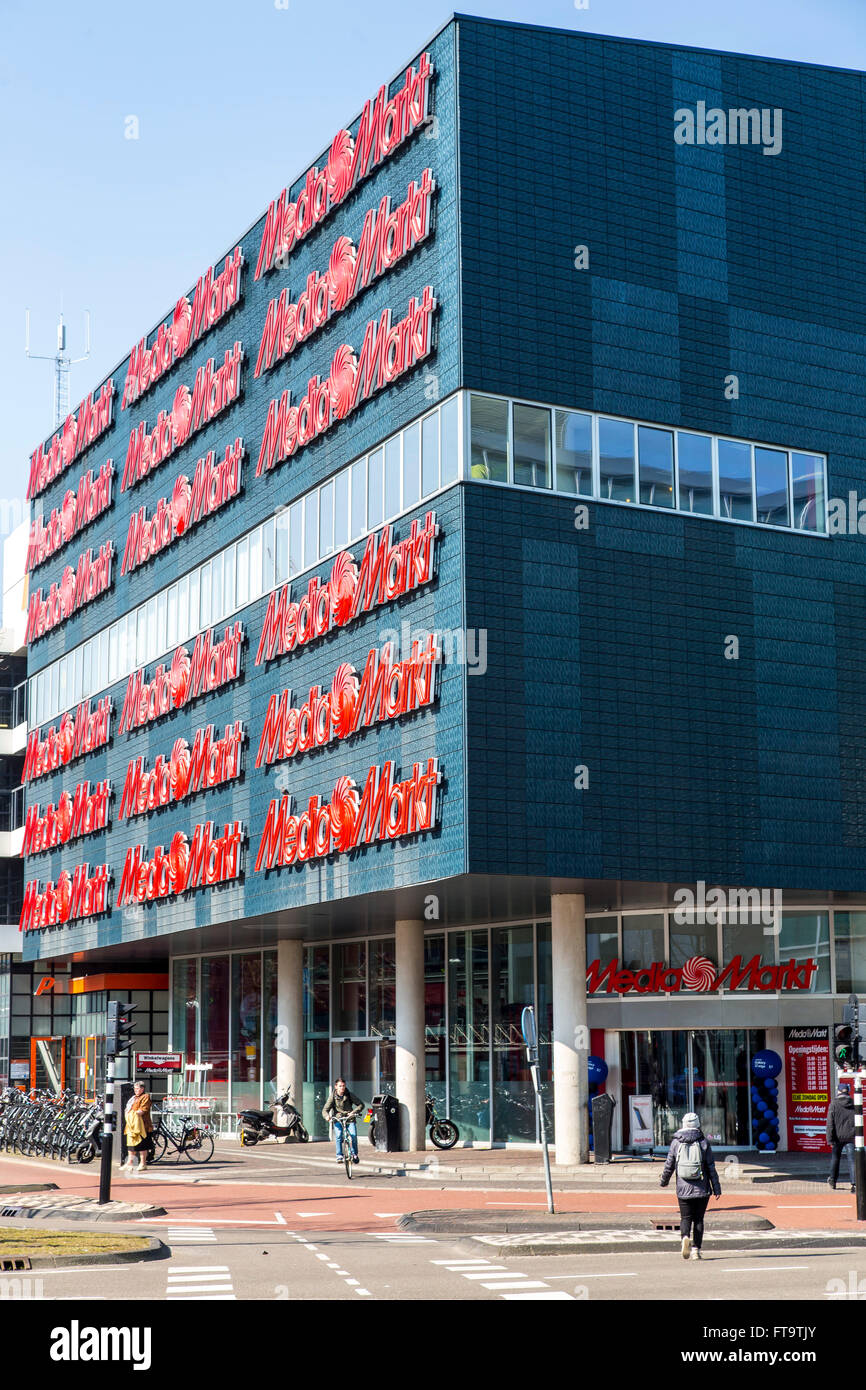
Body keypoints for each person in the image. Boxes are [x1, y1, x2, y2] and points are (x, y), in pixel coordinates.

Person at [659, 1111, 722, 1261]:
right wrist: (717, 1188)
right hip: (702, 1188)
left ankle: (685, 1237)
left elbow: (669, 1165)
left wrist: (664, 1181)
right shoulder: (703, 1142)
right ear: (698, 1124)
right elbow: (711, 1167)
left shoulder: (676, 1142)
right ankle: (696, 1250)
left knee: (685, 1217)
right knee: (699, 1219)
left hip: (683, 1187)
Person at [322, 1078, 365, 1165]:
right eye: (340, 1086)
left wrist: (353, 1112)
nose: (342, 1088)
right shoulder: (333, 1097)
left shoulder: (349, 1095)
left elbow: (361, 1104)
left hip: (350, 1119)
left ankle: (354, 1154)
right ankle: (339, 1156)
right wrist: (327, 1116)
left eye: (343, 1086)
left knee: (353, 1136)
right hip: (339, 1119)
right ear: (336, 1087)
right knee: (338, 1136)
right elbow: (325, 1109)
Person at [827, 1082, 856, 1193]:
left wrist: (830, 1139)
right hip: (851, 1135)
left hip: (837, 1137)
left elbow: (830, 1123)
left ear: (839, 1091)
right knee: (852, 1160)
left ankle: (833, 1181)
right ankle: (854, 1184)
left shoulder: (834, 1104)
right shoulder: (853, 1103)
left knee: (835, 1158)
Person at [121, 1081, 154, 1175]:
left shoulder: (145, 1097)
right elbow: (128, 1108)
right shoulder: (133, 1098)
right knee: (131, 1145)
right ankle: (129, 1163)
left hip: (143, 1125)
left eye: (138, 1088)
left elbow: (143, 1110)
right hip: (131, 1125)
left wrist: (134, 1113)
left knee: (142, 1145)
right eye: (135, 1089)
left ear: (142, 1089)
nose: (136, 1090)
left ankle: (143, 1163)